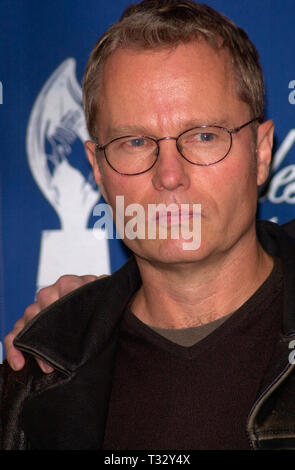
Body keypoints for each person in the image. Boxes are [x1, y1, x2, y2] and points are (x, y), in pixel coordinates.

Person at [1, 0, 295, 450]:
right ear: (97, 170)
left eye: (203, 135)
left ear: (260, 153)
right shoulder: (41, 376)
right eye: (135, 141)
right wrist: (67, 326)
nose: (170, 175)